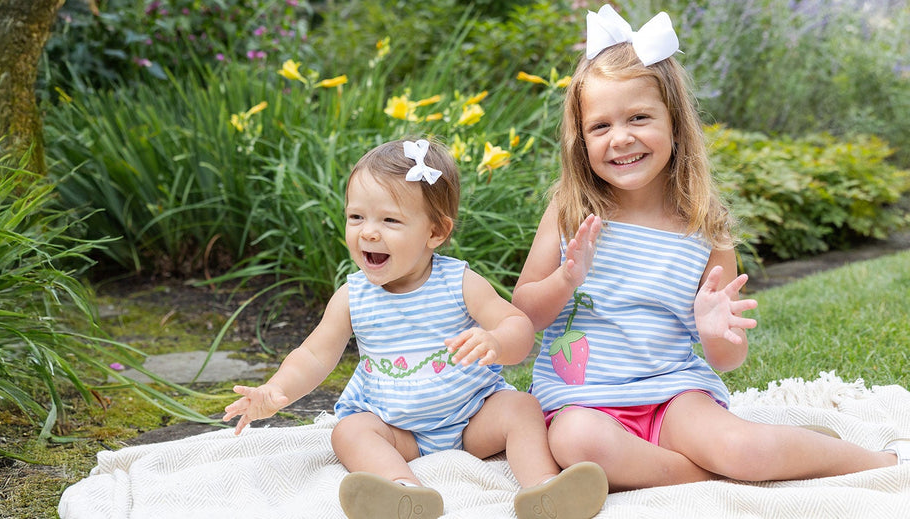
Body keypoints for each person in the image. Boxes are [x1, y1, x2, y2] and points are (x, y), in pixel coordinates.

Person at [512, 4, 908, 493]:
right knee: (577, 443)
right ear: (581, 139)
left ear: (676, 124)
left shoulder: (704, 229)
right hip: (581, 400)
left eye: (639, 117)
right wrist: (565, 279)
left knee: (743, 448)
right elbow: (525, 314)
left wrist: (715, 332)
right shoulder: (569, 212)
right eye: (601, 127)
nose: (621, 139)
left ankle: (877, 460)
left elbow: (725, 358)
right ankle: (704, 477)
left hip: (674, 394)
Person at [223, 138, 608, 519]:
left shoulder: (458, 282)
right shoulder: (352, 296)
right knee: (349, 432)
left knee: (521, 407)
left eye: (389, 220)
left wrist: (495, 340)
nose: (368, 232)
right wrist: (277, 390)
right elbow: (313, 354)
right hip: (396, 429)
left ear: (435, 233)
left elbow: (518, 327)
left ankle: (543, 489)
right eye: (356, 217)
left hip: (472, 418)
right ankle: (402, 491)